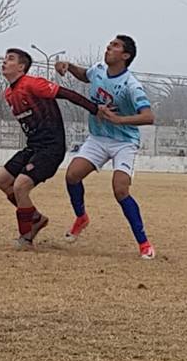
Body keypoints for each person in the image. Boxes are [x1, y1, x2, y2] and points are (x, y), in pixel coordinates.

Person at [54, 35, 157, 260]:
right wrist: (69, 66)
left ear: (126, 56)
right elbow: (85, 75)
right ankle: (81, 218)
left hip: (124, 142)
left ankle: (144, 244)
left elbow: (148, 116)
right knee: (72, 175)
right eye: (110, 44)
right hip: (98, 138)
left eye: (115, 46)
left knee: (120, 190)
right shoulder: (99, 69)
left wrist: (118, 120)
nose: (109, 47)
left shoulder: (131, 85)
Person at [0, 48, 97, 250]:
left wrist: (95, 109)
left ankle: (26, 237)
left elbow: (68, 94)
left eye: (10, 59)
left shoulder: (33, 84)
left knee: (20, 186)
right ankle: (36, 218)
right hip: (33, 147)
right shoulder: (9, 93)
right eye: (5, 58)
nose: (4, 62)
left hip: (51, 148)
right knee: (2, 181)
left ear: (21, 67)